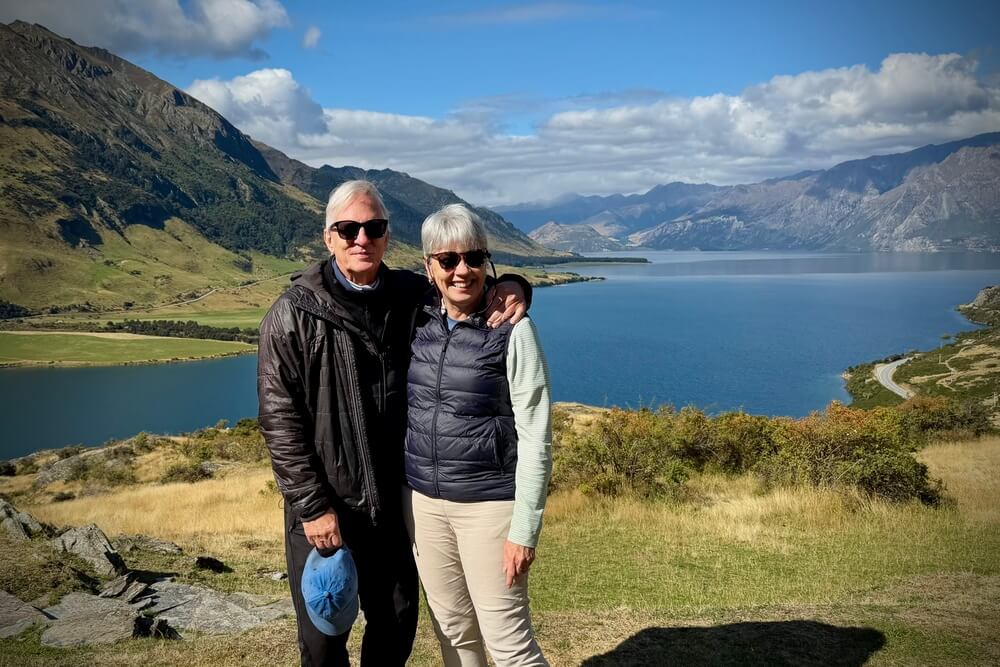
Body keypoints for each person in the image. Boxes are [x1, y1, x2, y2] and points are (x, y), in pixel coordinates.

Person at [257, 182, 530, 667]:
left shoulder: (409, 295)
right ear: (329, 238)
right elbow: (280, 422)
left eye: (374, 227)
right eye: (349, 229)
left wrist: (512, 285)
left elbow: (461, 281)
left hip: (394, 504)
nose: (362, 238)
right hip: (327, 510)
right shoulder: (291, 315)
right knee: (323, 642)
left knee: (396, 625)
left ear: (387, 236)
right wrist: (312, 506)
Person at [403, 203, 552, 666]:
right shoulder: (416, 319)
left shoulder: (513, 329)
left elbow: (535, 432)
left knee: (510, 646)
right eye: (448, 260)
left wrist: (524, 529)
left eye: (473, 257)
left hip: (490, 507)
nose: (461, 270)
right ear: (429, 267)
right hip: (424, 506)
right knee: (453, 634)